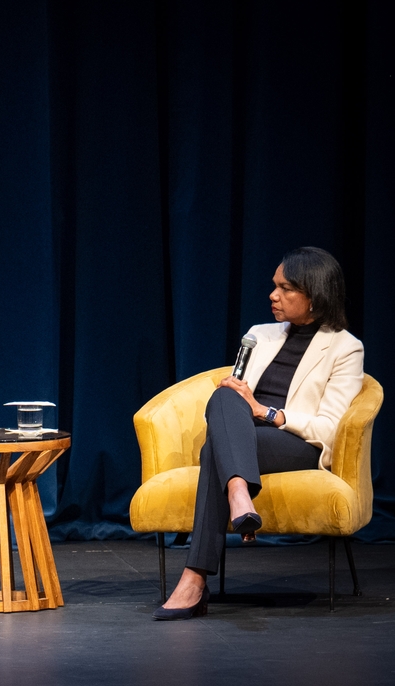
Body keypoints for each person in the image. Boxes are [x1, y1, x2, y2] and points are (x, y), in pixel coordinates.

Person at [154, 247, 364, 620]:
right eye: (274, 286)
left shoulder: (345, 348)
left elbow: (329, 429)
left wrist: (266, 412)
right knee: (224, 394)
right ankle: (239, 494)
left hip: (297, 443)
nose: (273, 295)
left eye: (285, 289)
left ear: (314, 295)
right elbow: (233, 402)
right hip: (245, 437)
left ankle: (194, 578)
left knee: (212, 452)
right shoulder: (259, 334)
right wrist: (241, 400)